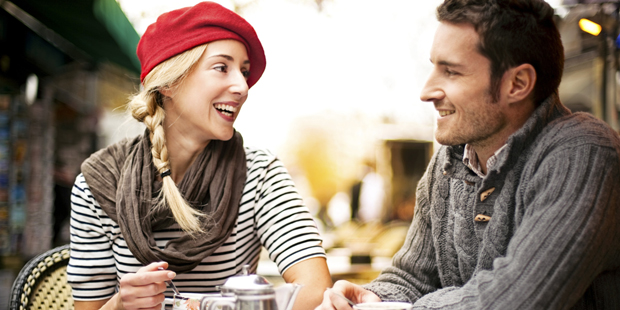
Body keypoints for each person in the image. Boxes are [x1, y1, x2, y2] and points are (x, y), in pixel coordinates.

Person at [318, 0, 620, 309]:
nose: (427, 91)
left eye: (451, 72)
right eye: (433, 67)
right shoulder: (449, 162)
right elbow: (412, 277)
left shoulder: (584, 154)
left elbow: (515, 301)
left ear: (518, 83)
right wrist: (367, 298)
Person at [66, 2, 332, 310]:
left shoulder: (260, 174)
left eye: (244, 72)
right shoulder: (97, 184)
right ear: (168, 82)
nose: (243, 86)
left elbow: (315, 291)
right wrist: (120, 305)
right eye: (222, 67)